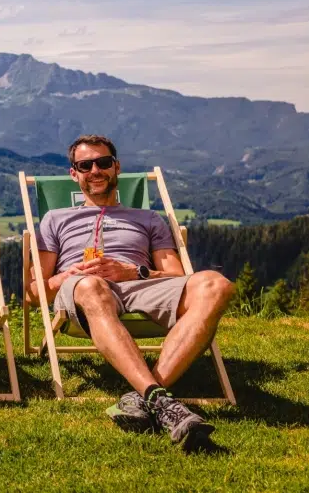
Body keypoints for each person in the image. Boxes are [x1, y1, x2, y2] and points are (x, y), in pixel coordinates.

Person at [28, 134, 235, 450]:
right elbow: (33, 292)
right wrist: (64, 277)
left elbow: (177, 276)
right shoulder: (55, 220)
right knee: (92, 286)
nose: (95, 170)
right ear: (74, 173)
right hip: (83, 290)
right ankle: (163, 401)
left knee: (216, 285)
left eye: (103, 162)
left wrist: (136, 271)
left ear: (117, 167)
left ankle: (150, 397)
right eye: (85, 165)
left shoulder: (148, 219)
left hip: (141, 287)